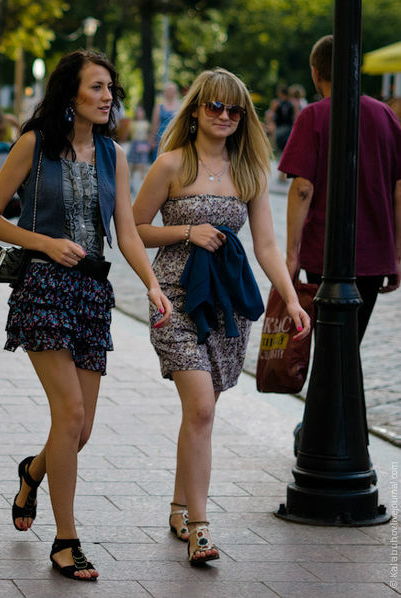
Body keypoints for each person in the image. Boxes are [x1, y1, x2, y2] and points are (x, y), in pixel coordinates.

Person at [0, 50, 173, 581]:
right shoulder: (33, 146)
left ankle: (32, 471)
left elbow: (127, 232)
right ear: (71, 96)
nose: (108, 96)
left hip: (92, 294)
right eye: (96, 88)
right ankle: (66, 541)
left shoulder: (113, 155)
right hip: (42, 287)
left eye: (111, 87)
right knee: (68, 417)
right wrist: (44, 241)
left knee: (79, 430)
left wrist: (152, 284)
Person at [132, 68, 312, 565]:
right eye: (214, 106)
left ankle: (177, 506)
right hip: (174, 297)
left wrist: (291, 298)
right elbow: (135, 228)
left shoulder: (249, 171)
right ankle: (201, 529)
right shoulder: (170, 165)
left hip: (228, 306)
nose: (225, 116)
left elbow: (268, 246)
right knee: (203, 408)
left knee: (200, 411)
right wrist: (187, 232)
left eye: (235, 109)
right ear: (195, 111)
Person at [280, 34, 401, 345]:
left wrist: (291, 255)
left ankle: (335, 395)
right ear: (356, 69)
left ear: (315, 72)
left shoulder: (313, 116)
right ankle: (347, 395)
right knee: (350, 343)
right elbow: (399, 190)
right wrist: (397, 253)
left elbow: (302, 188)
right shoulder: (385, 115)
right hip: (374, 254)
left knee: (331, 347)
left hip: (324, 252)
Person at [150, 81, 180, 160]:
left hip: (175, 137)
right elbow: (154, 124)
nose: (170, 92)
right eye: (168, 90)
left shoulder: (180, 106)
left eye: (172, 90)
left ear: (175, 92)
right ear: (165, 92)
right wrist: (152, 139)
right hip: (161, 138)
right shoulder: (159, 106)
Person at [126, 105, 151, 191]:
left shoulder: (146, 123)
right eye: (138, 111)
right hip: (135, 143)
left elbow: (148, 134)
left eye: (141, 111)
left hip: (143, 144)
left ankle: (141, 183)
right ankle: (132, 181)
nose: (139, 113)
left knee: (142, 163)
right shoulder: (133, 123)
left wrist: (148, 144)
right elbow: (129, 134)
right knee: (132, 163)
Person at [266, 85, 296, 155]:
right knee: (287, 148)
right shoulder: (292, 103)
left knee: (280, 149)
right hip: (289, 128)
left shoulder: (276, 103)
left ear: (280, 93)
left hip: (279, 128)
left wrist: (269, 124)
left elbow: (270, 115)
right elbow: (295, 117)